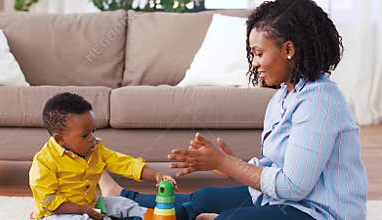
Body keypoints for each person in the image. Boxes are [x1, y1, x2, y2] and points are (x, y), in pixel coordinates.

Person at [100, 0, 368, 219]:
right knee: (202, 200)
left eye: (259, 53)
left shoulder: (320, 100)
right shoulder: (281, 98)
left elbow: (293, 186)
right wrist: (230, 168)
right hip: (281, 201)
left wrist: (227, 162)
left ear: (288, 49)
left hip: (317, 212)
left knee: (227, 217)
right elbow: (277, 166)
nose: (254, 63)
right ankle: (122, 199)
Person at [29, 92, 178, 220]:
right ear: (60, 139)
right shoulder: (44, 162)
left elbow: (125, 163)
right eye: (85, 135)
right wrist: (84, 210)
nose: (92, 138)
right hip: (56, 214)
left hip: (91, 204)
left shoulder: (95, 148)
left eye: (94, 131)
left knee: (126, 205)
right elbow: (49, 202)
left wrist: (156, 175)